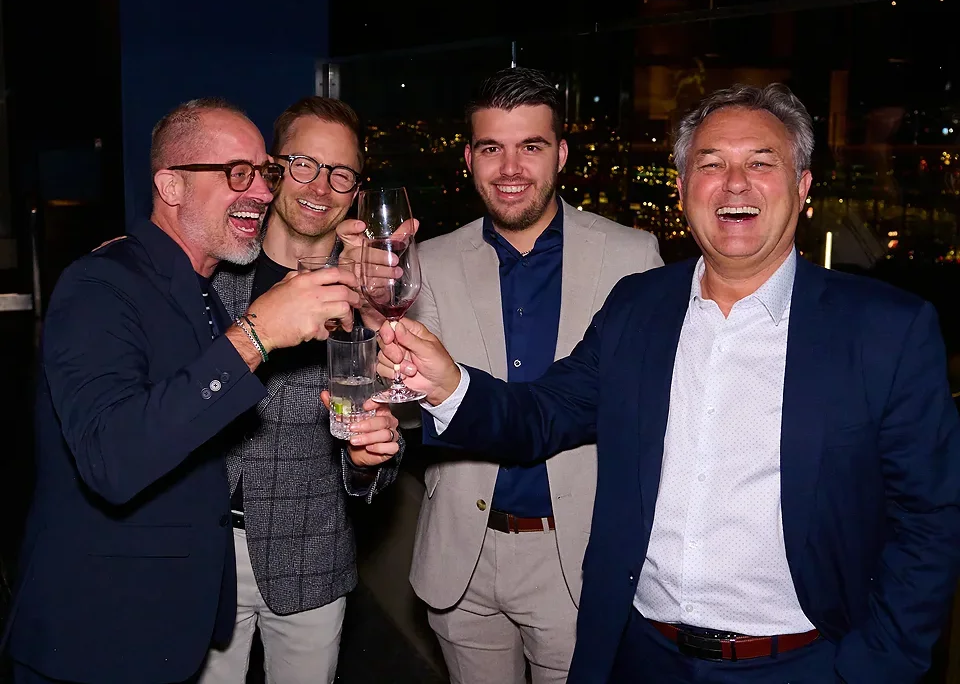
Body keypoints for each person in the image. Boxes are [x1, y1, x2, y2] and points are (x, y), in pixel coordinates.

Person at [378, 83, 960, 684]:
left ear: (803, 186)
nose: (735, 184)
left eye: (761, 163)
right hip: (642, 657)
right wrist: (447, 383)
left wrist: (877, 666)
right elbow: (543, 413)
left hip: (804, 663)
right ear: (681, 189)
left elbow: (931, 519)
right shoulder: (638, 307)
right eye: (711, 165)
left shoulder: (886, 331)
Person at [3, 98, 400, 684]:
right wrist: (258, 333)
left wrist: (367, 454)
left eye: (259, 173)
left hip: (278, 570)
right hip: (116, 614)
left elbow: (373, 420)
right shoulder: (110, 281)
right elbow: (115, 453)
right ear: (170, 185)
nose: (261, 191)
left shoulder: (207, 286)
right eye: (244, 173)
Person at [404, 67, 662, 683]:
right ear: (469, 159)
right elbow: (408, 406)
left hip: (579, 557)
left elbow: (650, 410)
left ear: (562, 155)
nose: (510, 168)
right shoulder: (427, 262)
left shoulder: (632, 256)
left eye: (531, 146)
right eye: (491, 148)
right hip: (462, 556)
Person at [200, 97, 402, 684]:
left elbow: (379, 443)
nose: (320, 186)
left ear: (356, 190)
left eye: (341, 173)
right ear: (273, 167)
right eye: (304, 163)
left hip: (311, 556)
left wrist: (366, 462)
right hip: (200, 550)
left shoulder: (370, 295)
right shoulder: (211, 271)